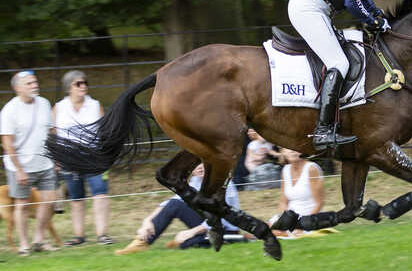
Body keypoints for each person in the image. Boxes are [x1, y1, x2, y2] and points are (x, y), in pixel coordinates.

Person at [289, 0, 411, 152]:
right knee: (339, 63)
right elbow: (352, 2)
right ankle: (323, 131)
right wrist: (374, 22)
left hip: (314, 6)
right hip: (309, 7)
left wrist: (379, 18)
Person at [115, 164, 246, 254]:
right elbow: (171, 202)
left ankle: (236, 240)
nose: (199, 167)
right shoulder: (195, 181)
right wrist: (147, 221)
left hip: (224, 229)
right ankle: (141, 243)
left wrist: (192, 232)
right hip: (207, 225)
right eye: (195, 164)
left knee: (186, 244)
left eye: (202, 162)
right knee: (175, 205)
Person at [0, 70, 58, 256]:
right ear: (18, 88)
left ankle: (39, 239)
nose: (35, 85)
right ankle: (24, 245)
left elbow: (51, 133)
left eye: (35, 82)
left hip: (45, 163)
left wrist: (57, 158)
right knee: (22, 204)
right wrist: (19, 170)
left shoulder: (44, 103)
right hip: (20, 166)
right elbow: (7, 143)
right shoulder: (9, 110)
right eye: (29, 84)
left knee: (50, 201)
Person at [53, 70, 114, 246]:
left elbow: (104, 132)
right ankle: (79, 236)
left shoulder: (95, 105)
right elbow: (54, 134)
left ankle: (103, 234)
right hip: (69, 158)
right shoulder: (59, 107)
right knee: (76, 198)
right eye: (78, 84)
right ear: (68, 88)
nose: (83, 86)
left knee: (100, 193)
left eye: (85, 83)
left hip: (93, 156)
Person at [270, 148, 324, 238]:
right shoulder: (285, 170)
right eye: (288, 148)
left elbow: (319, 204)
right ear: (283, 152)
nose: (292, 151)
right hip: (291, 218)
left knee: (271, 233)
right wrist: (285, 221)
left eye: (295, 148)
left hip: (310, 218)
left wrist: (301, 226)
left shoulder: (311, 168)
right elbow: (283, 203)